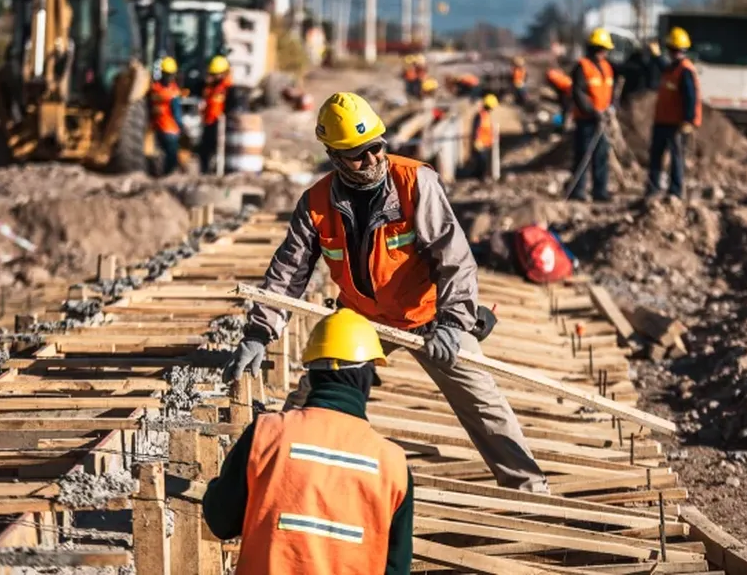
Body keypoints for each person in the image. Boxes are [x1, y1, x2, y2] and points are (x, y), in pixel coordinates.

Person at [223, 91, 549, 494]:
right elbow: (288, 273)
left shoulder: (415, 183)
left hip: (429, 318)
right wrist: (259, 333)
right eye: (358, 154)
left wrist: (453, 324)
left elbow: (455, 258)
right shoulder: (316, 203)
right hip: (362, 320)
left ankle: (530, 490)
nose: (373, 158)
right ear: (334, 155)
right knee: (315, 399)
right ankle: (278, 478)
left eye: (377, 147)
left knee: (484, 404)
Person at [204, 308, 413, 575]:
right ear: (366, 380)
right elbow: (397, 568)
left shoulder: (266, 434)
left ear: (312, 375)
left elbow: (221, 520)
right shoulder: (393, 466)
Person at [648, 27, 701, 199]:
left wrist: (688, 120)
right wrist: (656, 56)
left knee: (676, 158)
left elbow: (691, 98)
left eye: (677, 50)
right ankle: (653, 189)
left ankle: (675, 191)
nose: (675, 53)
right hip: (662, 120)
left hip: (676, 123)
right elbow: (665, 68)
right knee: (656, 156)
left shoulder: (685, 70)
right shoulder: (672, 68)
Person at [568, 28, 616, 202]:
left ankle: (600, 190)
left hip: (602, 119)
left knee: (601, 154)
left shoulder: (607, 68)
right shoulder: (582, 67)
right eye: (602, 49)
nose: (604, 53)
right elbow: (578, 93)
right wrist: (592, 111)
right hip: (586, 120)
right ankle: (578, 190)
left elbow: (609, 92)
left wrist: (610, 108)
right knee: (583, 155)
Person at [199, 55, 236, 174]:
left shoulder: (228, 88)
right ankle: (205, 172)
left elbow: (231, 108)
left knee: (218, 151)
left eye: (216, 74)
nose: (213, 77)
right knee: (204, 151)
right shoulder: (211, 88)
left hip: (220, 125)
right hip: (209, 122)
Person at [148, 56, 183, 176]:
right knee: (171, 157)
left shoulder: (155, 89)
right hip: (170, 129)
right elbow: (177, 113)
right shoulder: (173, 92)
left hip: (157, 127)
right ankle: (168, 175)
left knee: (160, 153)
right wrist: (181, 126)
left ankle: (160, 173)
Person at [470, 93, 498, 180]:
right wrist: (476, 140)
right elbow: (476, 128)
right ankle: (480, 178)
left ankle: (481, 177)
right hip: (480, 143)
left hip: (485, 143)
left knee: (484, 162)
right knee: (481, 162)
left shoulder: (486, 115)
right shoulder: (480, 115)